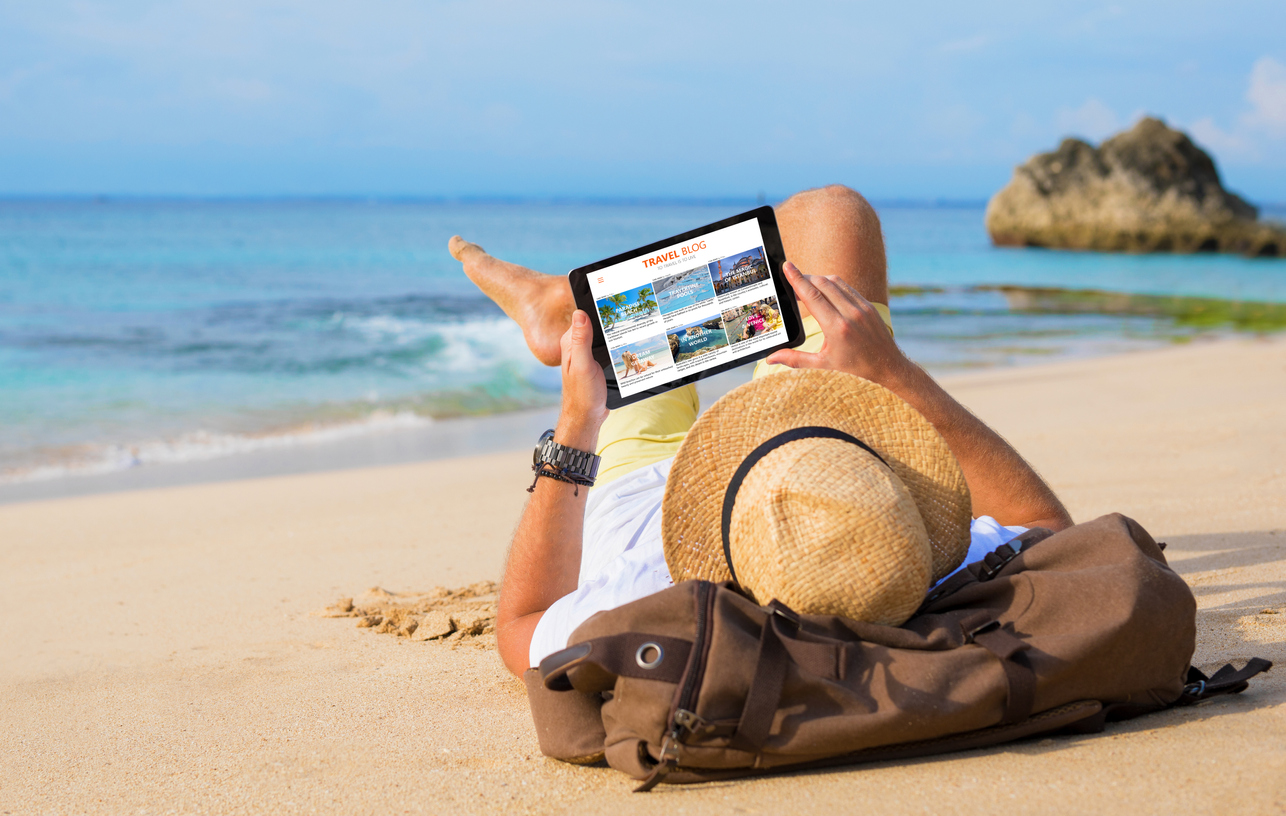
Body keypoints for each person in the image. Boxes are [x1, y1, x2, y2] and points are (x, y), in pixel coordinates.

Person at [448, 184, 1072, 677]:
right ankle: (568, 311)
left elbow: (520, 624)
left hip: (643, 499)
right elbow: (1048, 525)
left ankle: (566, 314)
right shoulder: (896, 568)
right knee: (829, 214)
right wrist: (890, 371)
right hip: (810, 466)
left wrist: (575, 423)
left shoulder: (644, 605)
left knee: (631, 340)